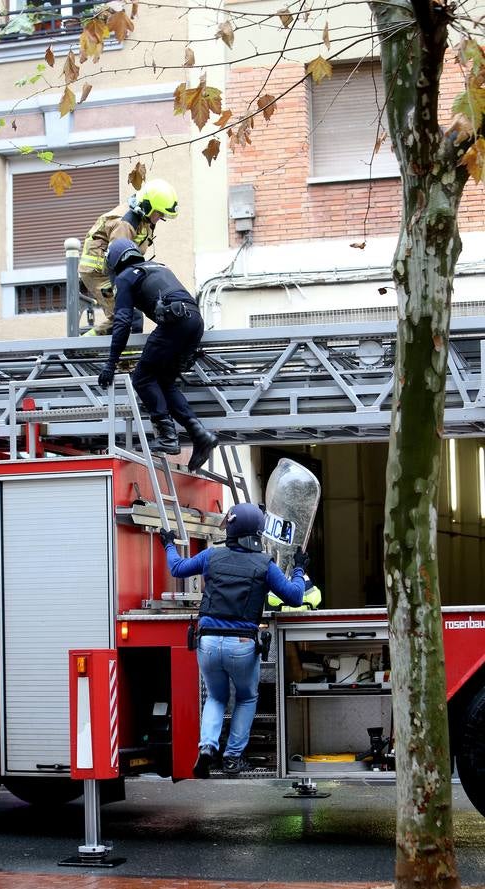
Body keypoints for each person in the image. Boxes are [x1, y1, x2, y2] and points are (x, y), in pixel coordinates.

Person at [159, 503, 309, 777]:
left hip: (207, 642)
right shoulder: (265, 564)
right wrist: (298, 569)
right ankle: (232, 758)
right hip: (241, 644)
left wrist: (168, 544)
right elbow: (295, 597)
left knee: (215, 697)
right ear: (256, 533)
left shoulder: (210, 557)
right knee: (246, 698)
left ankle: (207, 747)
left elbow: (178, 568)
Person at [97, 238, 219, 471]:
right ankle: (200, 435)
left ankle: (167, 438)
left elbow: (122, 321)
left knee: (142, 378)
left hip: (175, 323)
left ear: (114, 262)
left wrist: (111, 364)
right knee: (163, 381)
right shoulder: (158, 267)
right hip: (194, 321)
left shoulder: (125, 277)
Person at [79, 179, 178, 336]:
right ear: (147, 205)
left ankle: (121, 356)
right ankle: (80, 349)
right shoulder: (125, 224)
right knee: (124, 315)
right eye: (159, 213)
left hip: (112, 269)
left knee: (129, 316)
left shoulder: (144, 218)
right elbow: (117, 261)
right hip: (99, 272)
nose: (160, 217)